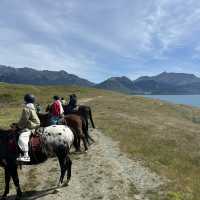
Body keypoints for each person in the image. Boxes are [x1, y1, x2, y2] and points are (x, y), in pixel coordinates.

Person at [13, 94, 40, 162]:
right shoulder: (32, 107)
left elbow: (24, 120)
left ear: (26, 100)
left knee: (22, 138)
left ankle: (26, 156)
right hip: (35, 125)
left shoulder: (26, 108)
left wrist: (17, 126)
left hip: (31, 126)